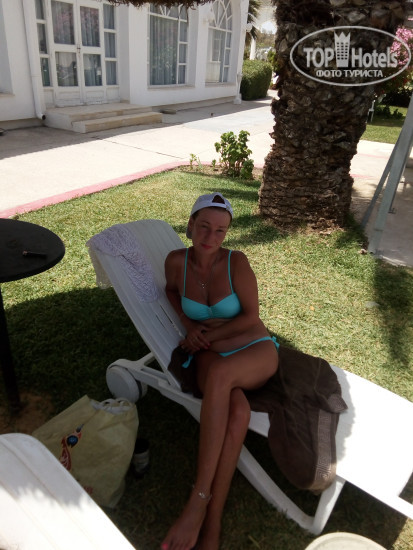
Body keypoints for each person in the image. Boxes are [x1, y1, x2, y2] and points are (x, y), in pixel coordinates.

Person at [162, 192, 279, 550]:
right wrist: (187, 324)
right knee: (238, 412)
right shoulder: (176, 261)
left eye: (220, 231)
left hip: (252, 347)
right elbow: (170, 291)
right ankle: (212, 524)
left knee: (221, 375)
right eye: (204, 227)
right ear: (190, 224)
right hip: (210, 351)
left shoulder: (236, 262)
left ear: (227, 233)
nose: (210, 237)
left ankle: (198, 503)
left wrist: (204, 336)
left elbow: (252, 318)